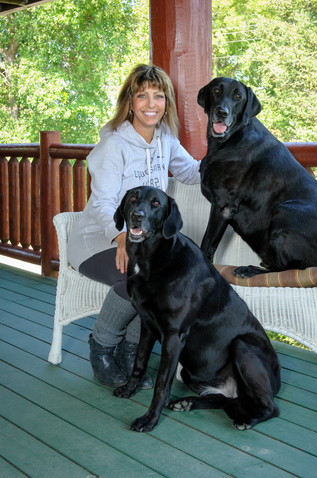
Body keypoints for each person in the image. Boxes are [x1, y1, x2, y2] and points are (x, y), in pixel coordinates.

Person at [68, 64, 200, 388]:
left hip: (140, 240)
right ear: (130, 101)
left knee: (162, 278)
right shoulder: (114, 144)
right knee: (137, 277)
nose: (151, 104)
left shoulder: (166, 139)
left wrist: (230, 160)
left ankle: (131, 351)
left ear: (166, 102)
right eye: (142, 95)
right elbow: (102, 203)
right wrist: (121, 238)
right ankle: (102, 346)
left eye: (158, 96)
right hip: (97, 238)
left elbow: (192, 172)